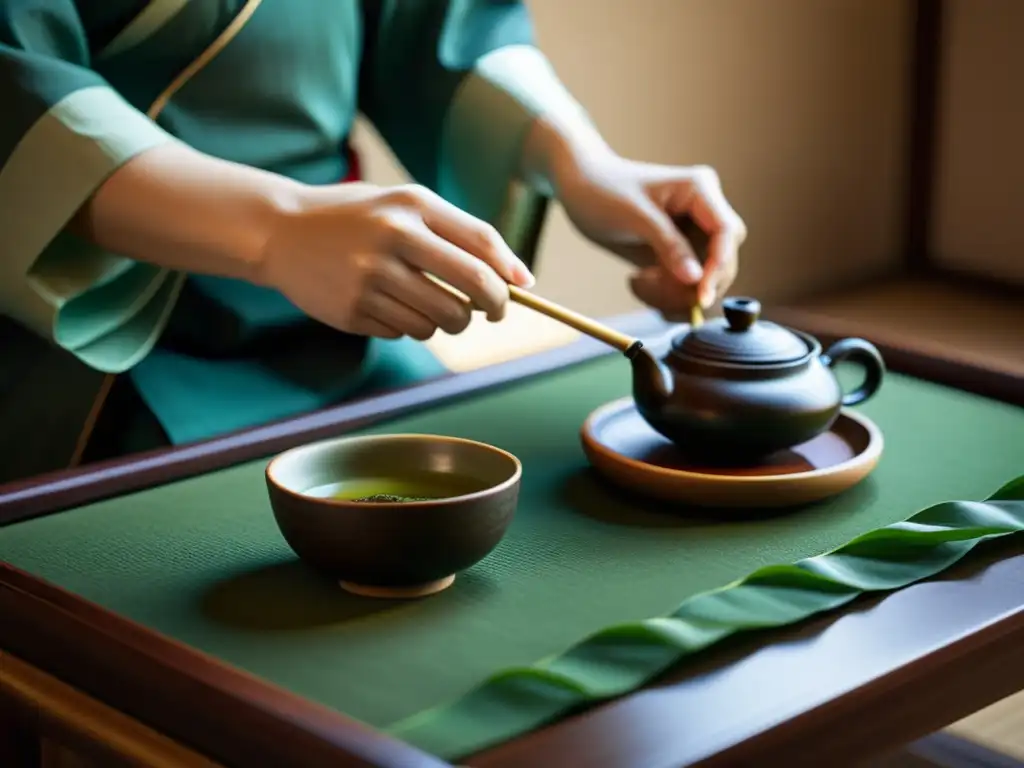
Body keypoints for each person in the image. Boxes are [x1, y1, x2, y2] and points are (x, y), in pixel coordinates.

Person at [0, 0, 747, 480]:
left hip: (346, 316)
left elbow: (429, 23)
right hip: (97, 347)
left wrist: (580, 162)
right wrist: (274, 228)